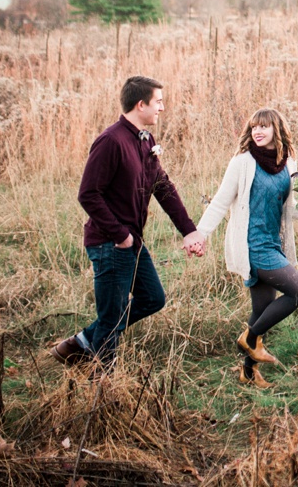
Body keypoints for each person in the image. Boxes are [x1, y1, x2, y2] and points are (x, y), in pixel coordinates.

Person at [50, 75, 206, 365]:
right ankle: (103, 388)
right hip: (110, 244)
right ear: (140, 104)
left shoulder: (145, 140)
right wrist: (121, 235)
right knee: (111, 319)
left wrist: (189, 231)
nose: (162, 108)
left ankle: (81, 342)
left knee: (152, 298)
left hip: (131, 243)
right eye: (158, 102)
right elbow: (88, 194)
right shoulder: (111, 141)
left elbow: (162, 187)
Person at [196, 107, 298, 388]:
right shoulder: (243, 163)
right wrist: (199, 234)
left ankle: (248, 373)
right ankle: (249, 338)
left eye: (264, 127)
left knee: (261, 309)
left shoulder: (288, 164)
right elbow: (221, 201)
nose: (257, 132)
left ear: (277, 130)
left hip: (274, 243)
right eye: (254, 127)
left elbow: (289, 208)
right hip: (253, 247)